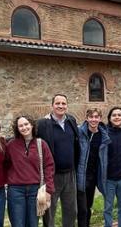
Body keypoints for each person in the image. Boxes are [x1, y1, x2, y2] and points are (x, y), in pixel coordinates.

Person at [36, 94, 80, 227]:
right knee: (49, 211)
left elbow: (76, 144)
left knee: (71, 211)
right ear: (52, 105)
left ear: (67, 106)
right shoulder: (43, 124)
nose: (61, 106)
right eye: (57, 103)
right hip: (52, 175)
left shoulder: (71, 121)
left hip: (70, 174)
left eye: (63, 103)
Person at [6, 115, 55, 227]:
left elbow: (49, 166)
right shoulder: (11, 145)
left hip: (35, 190)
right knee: (18, 223)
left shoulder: (41, 144)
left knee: (33, 224)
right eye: (20, 126)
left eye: (26, 124)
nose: (24, 127)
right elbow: (4, 164)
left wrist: (49, 190)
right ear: (17, 128)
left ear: (32, 125)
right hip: (16, 191)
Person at [76, 108, 110, 227]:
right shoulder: (80, 132)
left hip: (96, 174)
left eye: (96, 117)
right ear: (87, 118)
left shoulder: (104, 135)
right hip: (82, 174)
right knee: (82, 208)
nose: (93, 119)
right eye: (91, 117)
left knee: (88, 206)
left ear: (100, 119)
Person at [103, 107, 121, 227]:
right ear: (110, 118)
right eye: (114, 115)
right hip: (108, 178)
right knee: (107, 208)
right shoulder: (104, 133)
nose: (117, 117)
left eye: (119, 115)